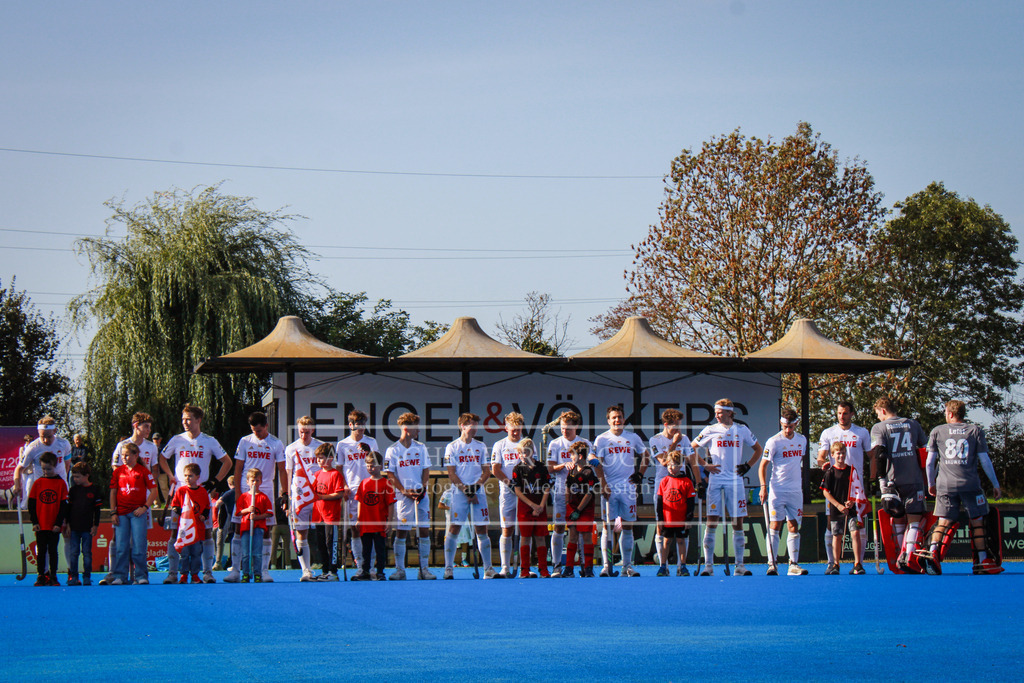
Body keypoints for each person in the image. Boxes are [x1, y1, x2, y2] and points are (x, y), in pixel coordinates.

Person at [921, 400, 1004, 575]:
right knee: (977, 520)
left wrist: (931, 483)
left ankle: (933, 552)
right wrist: (995, 484)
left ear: (950, 414)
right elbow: (985, 461)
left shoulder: (937, 431)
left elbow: (930, 463)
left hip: (945, 485)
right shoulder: (975, 430)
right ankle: (982, 561)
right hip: (970, 484)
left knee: (943, 521)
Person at [158, 404, 231, 584]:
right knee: (176, 533)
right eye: (183, 419)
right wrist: (170, 476)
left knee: (206, 533)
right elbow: (162, 457)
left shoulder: (209, 440)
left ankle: (207, 572)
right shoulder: (176, 439)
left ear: (198, 420)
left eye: (189, 419)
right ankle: (173, 573)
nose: (185, 423)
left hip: (201, 493)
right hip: (181, 494)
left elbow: (227, 462)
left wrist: (214, 481)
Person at [692, 398, 763, 576]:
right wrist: (705, 465)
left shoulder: (741, 429)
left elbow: (758, 449)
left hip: (735, 479)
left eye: (720, 412)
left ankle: (740, 565)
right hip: (716, 479)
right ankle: (708, 565)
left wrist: (747, 466)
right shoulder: (710, 430)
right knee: (712, 520)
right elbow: (691, 448)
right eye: (715, 412)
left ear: (730, 412)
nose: (716, 415)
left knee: (737, 521)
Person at [224, 411, 286, 583]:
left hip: (265, 489)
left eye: (258, 430)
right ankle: (236, 570)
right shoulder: (245, 441)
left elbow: (282, 469)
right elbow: (238, 468)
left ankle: (264, 571)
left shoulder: (276, 443)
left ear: (266, 426)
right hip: (245, 489)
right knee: (238, 528)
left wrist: (285, 492)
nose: (256, 434)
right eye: (253, 430)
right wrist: (237, 493)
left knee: (265, 530)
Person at [869, 396, 928, 573]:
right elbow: (926, 452)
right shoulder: (913, 424)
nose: (878, 418)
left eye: (878, 414)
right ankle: (908, 555)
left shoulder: (879, 427)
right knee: (914, 518)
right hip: (914, 478)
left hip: (892, 480)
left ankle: (900, 556)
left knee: (897, 516)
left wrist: (880, 480)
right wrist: (929, 478)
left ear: (883, 410)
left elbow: (879, 454)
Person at [594, 405, 649, 577]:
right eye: (614, 418)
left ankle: (627, 566)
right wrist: (603, 483)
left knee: (627, 526)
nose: (617, 420)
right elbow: (597, 463)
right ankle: (606, 565)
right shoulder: (601, 439)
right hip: (610, 487)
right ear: (608, 420)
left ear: (624, 419)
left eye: (620, 417)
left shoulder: (632, 437)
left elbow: (646, 455)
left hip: (628, 488)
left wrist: (640, 474)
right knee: (607, 526)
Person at [817, 401, 872, 570]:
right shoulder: (828, 433)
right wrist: (823, 464)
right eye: (839, 413)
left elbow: (871, 455)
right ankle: (832, 563)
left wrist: (875, 477)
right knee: (832, 527)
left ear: (852, 414)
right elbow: (821, 457)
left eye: (845, 413)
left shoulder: (861, 432)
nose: (842, 416)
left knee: (857, 527)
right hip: (835, 487)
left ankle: (858, 563)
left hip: (856, 487)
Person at [106, 412, 160, 579]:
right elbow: (116, 469)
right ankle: (114, 573)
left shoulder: (151, 447)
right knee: (119, 538)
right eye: (146, 427)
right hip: (123, 500)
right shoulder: (122, 445)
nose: (149, 430)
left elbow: (155, 469)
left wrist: (146, 487)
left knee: (139, 539)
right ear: (136, 426)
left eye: (150, 427)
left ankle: (140, 574)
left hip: (142, 501)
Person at [442, 412, 495, 579]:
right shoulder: (452, 447)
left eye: (476, 425)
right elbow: (451, 473)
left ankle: (488, 569)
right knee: (455, 528)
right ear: (462, 426)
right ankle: (448, 568)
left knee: (481, 529)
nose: (475, 428)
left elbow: (487, 471)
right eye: (472, 424)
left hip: (478, 492)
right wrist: (465, 490)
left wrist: (476, 487)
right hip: (459, 493)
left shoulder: (480, 446)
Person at [384, 412, 436, 580]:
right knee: (402, 532)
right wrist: (405, 491)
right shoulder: (392, 450)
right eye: (416, 428)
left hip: (420, 495)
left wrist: (422, 487)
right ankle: (400, 570)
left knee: (424, 530)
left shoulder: (420, 447)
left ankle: (424, 570)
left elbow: (426, 469)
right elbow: (390, 474)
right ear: (406, 429)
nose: (418, 431)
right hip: (403, 498)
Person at [758, 408, 809, 576]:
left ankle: (793, 564)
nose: (788, 430)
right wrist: (763, 487)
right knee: (775, 525)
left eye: (791, 426)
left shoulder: (802, 440)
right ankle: (772, 564)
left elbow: (798, 461)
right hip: (777, 490)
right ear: (781, 423)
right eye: (785, 426)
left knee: (794, 525)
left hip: (795, 491)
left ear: (796, 424)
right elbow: (763, 466)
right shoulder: (773, 442)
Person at [546, 410, 594, 577]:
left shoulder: (585, 443)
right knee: (559, 527)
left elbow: (592, 465)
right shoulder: (555, 444)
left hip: (581, 493)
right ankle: (557, 566)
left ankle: (583, 566)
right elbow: (550, 469)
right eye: (562, 428)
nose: (564, 431)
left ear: (577, 427)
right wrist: (563, 465)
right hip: (561, 490)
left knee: (580, 529)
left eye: (568, 428)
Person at [648, 408, 696, 574]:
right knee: (661, 526)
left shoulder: (685, 439)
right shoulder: (655, 440)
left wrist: (698, 482)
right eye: (675, 427)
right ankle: (664, 565)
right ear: (666, 425)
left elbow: (692, 460)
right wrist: (674, 444)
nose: (678, 431)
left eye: (680, 427)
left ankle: (681, 566)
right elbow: (663, 462)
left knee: (683, 525)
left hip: (681, 485)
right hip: (663, 485)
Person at [337, 409, 379, 574]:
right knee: (355, 528)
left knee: (372, 528)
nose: (360, 428)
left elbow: (377, 465)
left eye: (363, 424)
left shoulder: (372, 441)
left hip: (369, 489)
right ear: (350, 425)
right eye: (357, 425)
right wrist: (344, 486)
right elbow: (339, 468)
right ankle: (360, 566)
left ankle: (372, 566)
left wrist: (369, 452)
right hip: (352, 490)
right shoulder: (342, 444)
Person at [283, 415, 323, 581]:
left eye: (307, 432)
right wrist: (287, 498)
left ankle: (326, 567)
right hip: (300, 496)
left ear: (312, 430)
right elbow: (288, 473)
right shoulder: (291, 448)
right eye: (301, 432)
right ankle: (306, 571)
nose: (304, 435)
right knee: (302, 532)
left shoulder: (320, 446)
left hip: (319, 495)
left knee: (321, 532)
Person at [491, 411, 527, 578]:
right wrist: (510, 483)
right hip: (507, 492)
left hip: (525, 492)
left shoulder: (527, 444)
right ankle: (505, 567)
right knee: (507, 529)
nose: (515, 432)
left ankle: (525, 567)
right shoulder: (500, 445)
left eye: (518, 430)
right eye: (512, 429)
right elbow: (496, 469)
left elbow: (533, 466)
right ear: (506, 428)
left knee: (525, 530)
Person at [820, 442, 865, 575]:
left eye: (843, 453)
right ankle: (836, 564)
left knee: (855, 533)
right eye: (838, 453)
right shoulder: (830, 472)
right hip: (836, 510)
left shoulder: (852, 470)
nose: (841, 456)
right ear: (832, 455)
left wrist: (852, 501)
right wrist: (838, 505)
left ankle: (858, 564)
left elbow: (857, 488)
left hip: (851, 509)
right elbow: (825, 491)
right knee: (837, 536)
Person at [511, 438, 552, 578]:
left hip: (540, 507)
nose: (523, 456)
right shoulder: (517, 469)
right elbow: (517, 491)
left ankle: (543, 569)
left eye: (526, 453)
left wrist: (540, 506)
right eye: (521, 453)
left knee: (540, 538)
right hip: (525, 508)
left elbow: (547, 488)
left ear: (533, 452)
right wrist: (532, 505)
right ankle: (524, 570)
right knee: (525, 538)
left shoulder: (541, 467)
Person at [352, 451, 396, 581]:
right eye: (368, 465)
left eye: (373, 466)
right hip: (366, 523)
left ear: (380, 466)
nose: (370, 468)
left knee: (380, 549)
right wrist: (359, 519)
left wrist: (389, 521)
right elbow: (360, 501)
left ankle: (380, 572)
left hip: (379, 523)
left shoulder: (386, 483)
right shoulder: (364, 483)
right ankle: (365, 571)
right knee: (366, 549)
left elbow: (391, 504)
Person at [28, 452, 68, 586]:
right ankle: (41, 575)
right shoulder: (38, 483)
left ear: (55, 466)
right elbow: (31, 504)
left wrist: (58, 523)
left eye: (49, 469)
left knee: (52, 551)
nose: (46, 471)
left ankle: (53, 575)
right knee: (41, 551)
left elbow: (63, 506)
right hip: (41, 524)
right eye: (43, 469)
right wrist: (35, 522)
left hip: (54, 526)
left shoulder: (61, 483)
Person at [654, 451, 696, 577]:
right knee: (666, 541)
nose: (672, 468)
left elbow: (690, 503)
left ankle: (682, 566)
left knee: (681, 541)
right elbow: (660, 503)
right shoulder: (664, 481)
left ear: (681, 465)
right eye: (669, 465)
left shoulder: (687, 482)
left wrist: (688, 519)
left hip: (681, 519)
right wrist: (660, 519)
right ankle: (663, 566)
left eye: (675, 465)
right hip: (668, 519)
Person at [562, 441, 600, 578]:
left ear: (580, 456)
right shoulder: (571, 471)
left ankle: (588, 568)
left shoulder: (589, 472)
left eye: (573, 454)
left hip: (584, 509)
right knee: (572, 537)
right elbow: (567, 487)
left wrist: (578, 510)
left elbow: (590, 493)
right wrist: (568, 504)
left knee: (586, 537)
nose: (571, 457)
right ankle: (569, 568)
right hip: (572, 508)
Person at [15, 416, 72, 507]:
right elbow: (19, 468)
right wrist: (17, 485)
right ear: (38, 432)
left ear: (55, 431)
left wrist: (60, 479)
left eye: (49, 436)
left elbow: (67, 465)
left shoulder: (64, 444)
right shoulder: (32, 448)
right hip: (42, 487)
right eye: (42, 437)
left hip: (60, 486)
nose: (46, 440)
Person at [169, 463, 212, 584]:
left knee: (196, 553)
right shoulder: (181, 490)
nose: (187, 478)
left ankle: (195, 575)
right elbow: (175, 506)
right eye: (186, 476)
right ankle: (183, 574)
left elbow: (207, 507)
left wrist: (203, 515)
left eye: (190, 476)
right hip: (184, 530)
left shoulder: (203, 491)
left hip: (197, 529)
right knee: (184, 553)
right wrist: (182, 513)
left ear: (198, 477)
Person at [312, 443, 347, 581]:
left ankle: (333, 571)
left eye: (321, 458)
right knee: (320, 544)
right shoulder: (316, 474)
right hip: (318, 515)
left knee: (330, 543)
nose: (319, 461)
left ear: (330, 458)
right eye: (317, 458)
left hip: (331, 516)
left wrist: (322, 497)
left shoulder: (336, 474)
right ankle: (325, 569)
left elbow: (339, 494)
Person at [66, 461, 102, 586]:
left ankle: (87, 576)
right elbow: (68, 510)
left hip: (87, 528)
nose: (75, 479)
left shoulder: (94, 489)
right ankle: (74, 577)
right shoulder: (73, 490)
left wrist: (95, 525)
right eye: (74, 477)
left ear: (86, 475)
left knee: (87, 553)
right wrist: (68, 525)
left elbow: (97, 510)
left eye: (78, 476)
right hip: (74, 527)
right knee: (74, 553)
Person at [237, 468, 274, 583]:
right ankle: (246, 574)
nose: (254, 483)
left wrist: (257, 517)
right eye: (252, 480)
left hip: (258, 528)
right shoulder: (243, 497)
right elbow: (238, 512)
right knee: (246, 553)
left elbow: (269, 513)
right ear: (247, 481)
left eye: (257, 481)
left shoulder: (263, 497)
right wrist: (247, 510)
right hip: (246, 527)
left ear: (261, 482)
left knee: (257, 553)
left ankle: (258, 573)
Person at [212, 475, 236, 570]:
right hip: (238, 518)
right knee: (235, 540)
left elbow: (217, 504)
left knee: (220, 540)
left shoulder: (228, 493)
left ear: (229, 484)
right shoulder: (240, 492)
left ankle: (218, 562)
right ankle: (234, 562)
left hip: (227, 519)